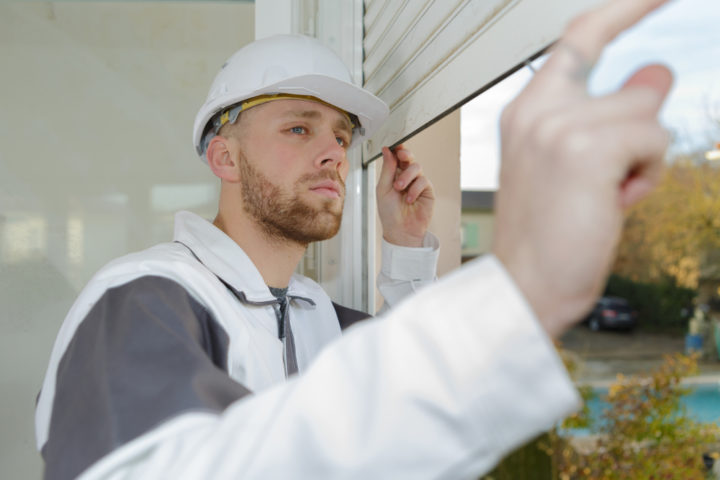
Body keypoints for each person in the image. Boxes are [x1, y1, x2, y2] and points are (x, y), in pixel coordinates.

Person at [35, 0, 674, 478]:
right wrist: (525, 285)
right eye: (298, 129)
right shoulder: (143, 300)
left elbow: (396, 421)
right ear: (224, 158)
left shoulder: (316, 312)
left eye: (341, 137)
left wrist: (403, 248)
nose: (333, 155)